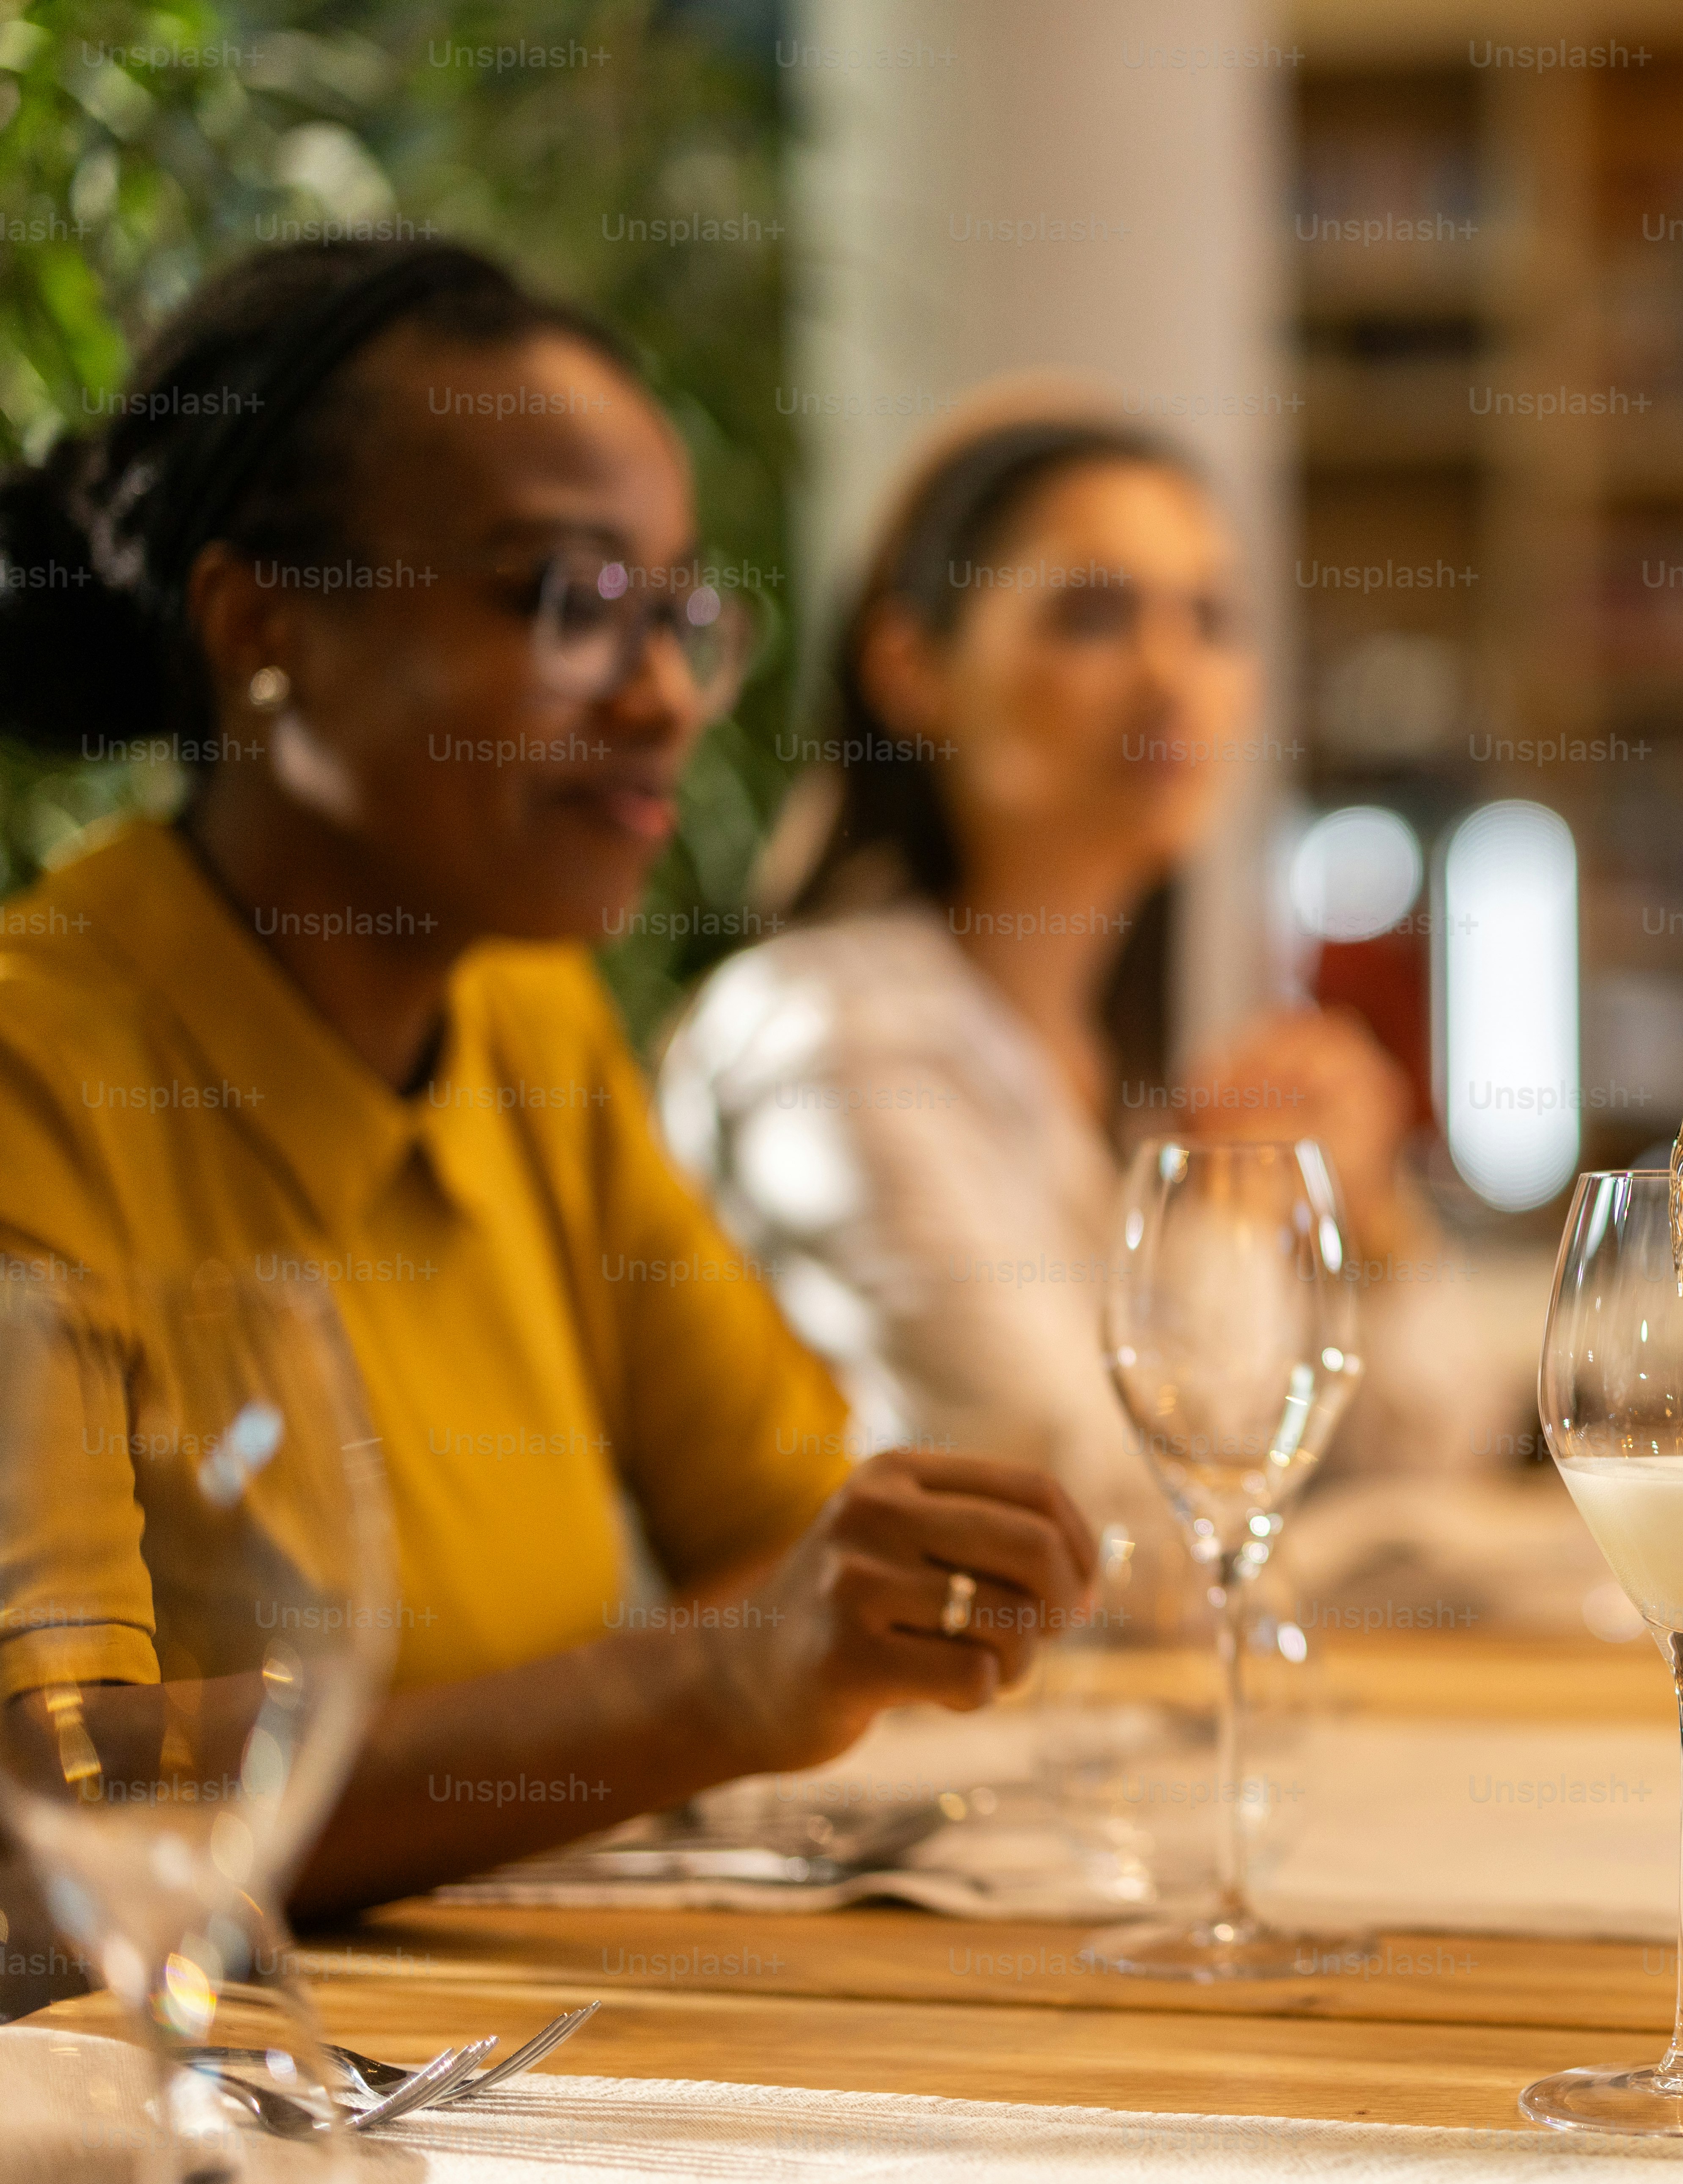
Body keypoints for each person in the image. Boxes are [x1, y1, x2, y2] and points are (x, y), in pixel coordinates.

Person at [0, 239, 1095, 1930]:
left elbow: (789, 1540)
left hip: (507, 2042)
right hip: (183, 2122)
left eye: (675, 613)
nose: (659, 695)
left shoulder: (528, 1021)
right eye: (564, 600)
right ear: (263, 629)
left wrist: (790, 1639)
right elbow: (50, 1795)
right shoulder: (38, 1068)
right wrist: (702, 1692)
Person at [650, 386, 1426, 1599]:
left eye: (1213, 619)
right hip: (888, 1771)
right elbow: (1073, 1518)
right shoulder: (821, 1036)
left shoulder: (1116, 1065)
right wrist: (1232, 1223)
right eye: (1093, 614)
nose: (1174, 675)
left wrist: (1367, 1224)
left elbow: (1421, 1456)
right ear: (911, 668)